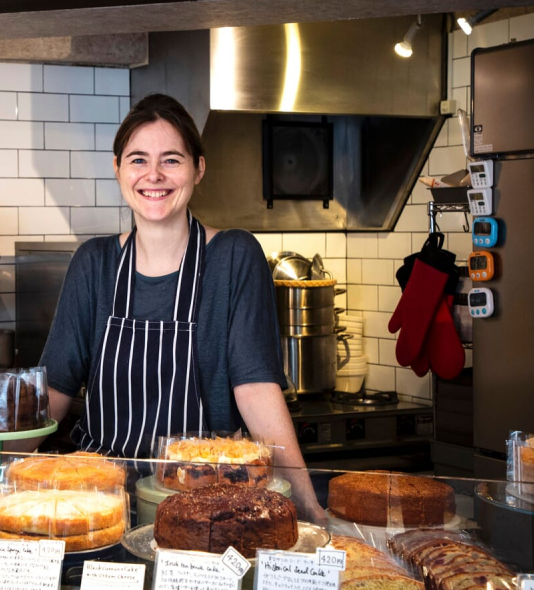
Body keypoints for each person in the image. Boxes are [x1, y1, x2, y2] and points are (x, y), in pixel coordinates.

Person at [39, 93, 323, 520]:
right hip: (101, 504)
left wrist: (307, 507)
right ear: (117, 169)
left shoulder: (233, 256)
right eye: (137, 160)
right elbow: (53, 395)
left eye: (171, 160)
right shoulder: (94, 264)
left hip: (210, 505)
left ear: (198, 168)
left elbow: (256, 390)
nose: (153, 175)